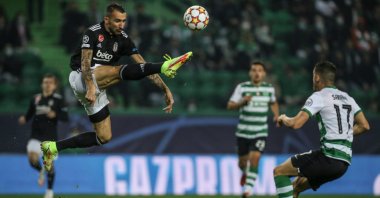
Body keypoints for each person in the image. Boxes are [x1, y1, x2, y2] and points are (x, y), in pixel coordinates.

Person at [41, 3, 192, 171]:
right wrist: (91, 87)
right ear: (107, 19)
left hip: (100, 86)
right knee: (118, 70)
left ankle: (53, 147)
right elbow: (85, 64)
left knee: (104, 137)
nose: (122, 25)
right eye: (117, 21)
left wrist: (165, 89)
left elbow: (142, 65)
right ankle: (164, 66)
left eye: (124, 21)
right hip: (81, 79)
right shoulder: (92, 33)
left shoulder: (124, 39)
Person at [273, 61, 370, 198]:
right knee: (295, 188)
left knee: (279, 171)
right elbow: (365, 125)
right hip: (343, 165)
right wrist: (346, 133)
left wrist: (283, 118)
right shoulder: (348, 98)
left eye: (313, 76)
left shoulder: (319, 96)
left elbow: (296, 124)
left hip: (328, 158)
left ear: (317, 77)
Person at [227, 61, 279, 197]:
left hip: (260, 131)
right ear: (250, 73)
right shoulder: (242, 88)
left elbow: (273, 102)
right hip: (243, 132)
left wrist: (276, 115)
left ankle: (248, 190)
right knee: (242, 163)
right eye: (254, 70)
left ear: (264, 73)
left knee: (255, 158)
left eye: (259, 70)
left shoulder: (269, 89)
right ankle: (245, 172)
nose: (257, 73)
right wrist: (242, 102)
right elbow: (230, 105)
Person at [18, 74, 68, 198]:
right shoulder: (36, 98)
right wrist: (25, 118)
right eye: (45, 82)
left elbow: (65, 117)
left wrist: (55, 114)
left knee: (49, 166)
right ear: (42, 84)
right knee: (32, 159)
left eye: (50, 82)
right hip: (35, 135)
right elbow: (30, 113)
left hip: (50, 137)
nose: (47, 84)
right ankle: (41, 171)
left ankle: (49, 191)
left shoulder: (59, 100)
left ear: (55, 85)